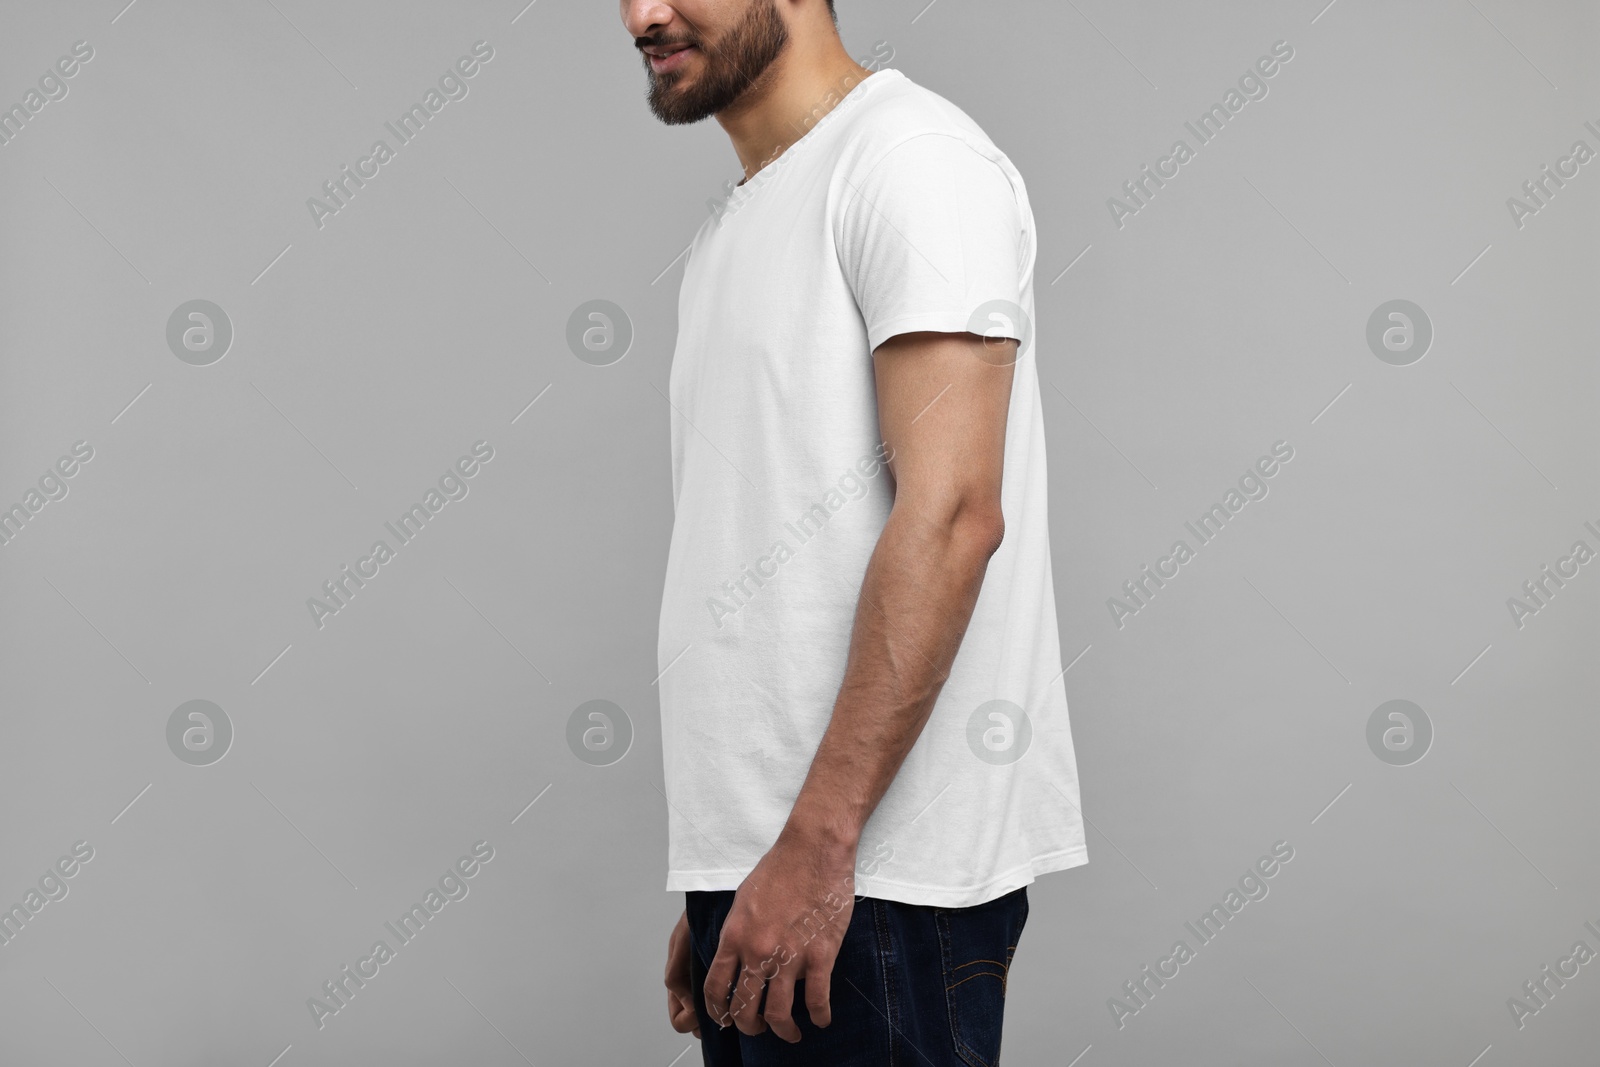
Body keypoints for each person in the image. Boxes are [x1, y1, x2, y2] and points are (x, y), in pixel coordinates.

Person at [623, 1, 1088, 1062]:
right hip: (781, 869)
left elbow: (956, 515)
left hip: (874, 883)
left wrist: (813, 851)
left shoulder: (907, 161)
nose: (644, 14)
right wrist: (734, 865)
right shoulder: (740, 221)